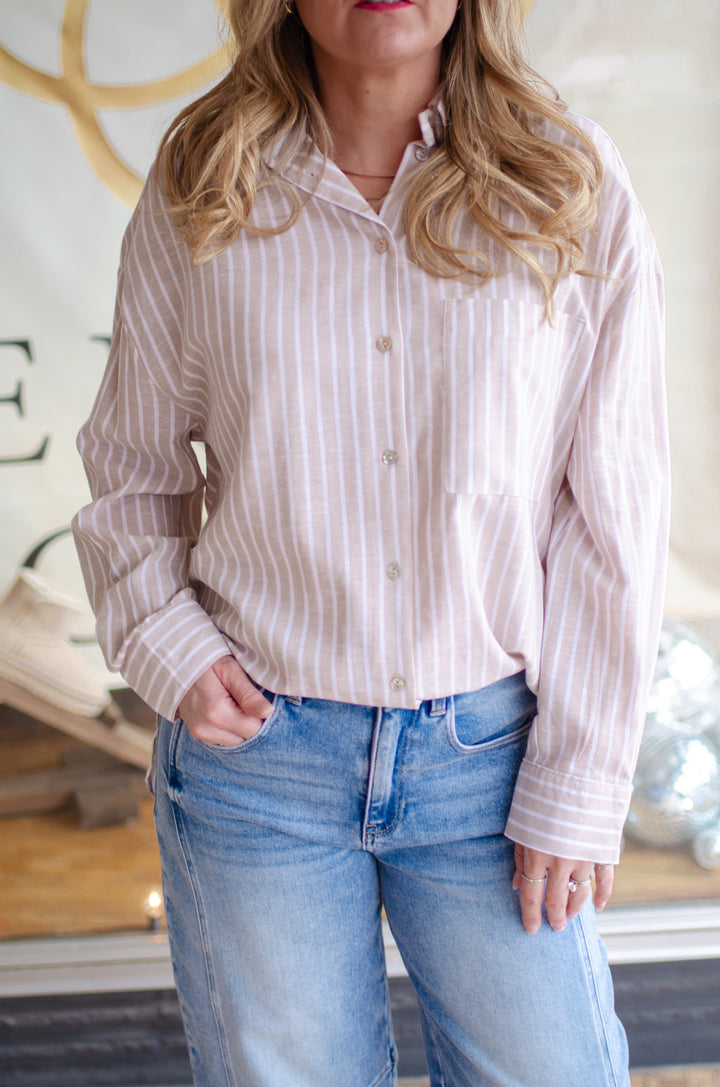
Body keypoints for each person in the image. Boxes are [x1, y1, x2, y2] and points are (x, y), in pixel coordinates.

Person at [72, 0, 669, 1084]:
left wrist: (581, 782)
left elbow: (613, 509)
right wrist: (169, 642)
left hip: (494, 761)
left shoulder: (569, 182)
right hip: (258, 768)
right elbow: (133, 467)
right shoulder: (203, 181)